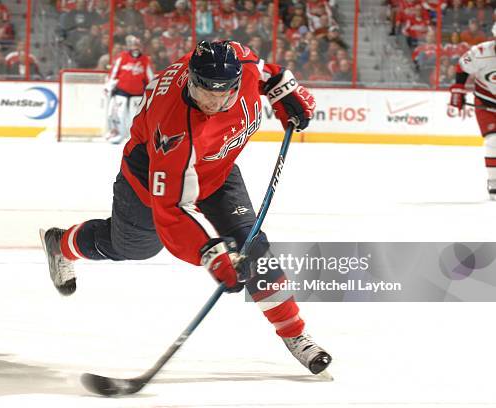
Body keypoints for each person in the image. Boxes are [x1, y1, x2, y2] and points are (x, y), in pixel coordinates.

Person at [40, 40, 332, 375]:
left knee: (254, 250)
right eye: (205, 91)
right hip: (149, 181)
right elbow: (173, 209)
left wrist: (285, 89)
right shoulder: (174, 129)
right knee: (132, 247)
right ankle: (61, 244)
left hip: (217, 172)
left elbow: (266, 71)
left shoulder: (240, 63)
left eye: (224, 93)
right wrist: (211, 253)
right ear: (191, 80)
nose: (214, 101)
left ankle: (294, 333)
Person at [449, 23, 496, 200]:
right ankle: (494, 181)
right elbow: (462, 67)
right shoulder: (480, 53)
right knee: (493, 141)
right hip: (486, 101)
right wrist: (458, 90)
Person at [103, 35, 154, 144]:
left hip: (138, 94)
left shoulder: (145, 60)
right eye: (133, 45)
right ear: (129, 46)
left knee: (136, 117)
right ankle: (116, 134)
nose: (135, 47)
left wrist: (152, 91)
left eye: (137, 45)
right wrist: (109, 86)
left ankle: (137, 138)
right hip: (121, 91)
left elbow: (150, 78)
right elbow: (113, 73)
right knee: (117, 114)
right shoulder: (122, 57)